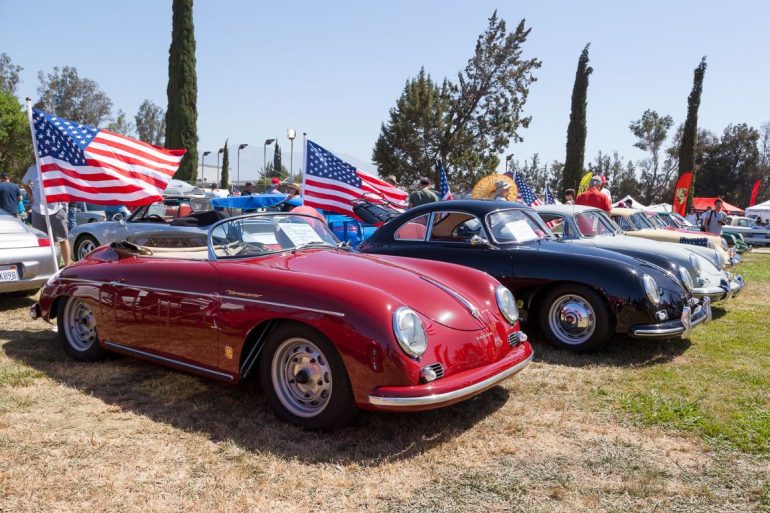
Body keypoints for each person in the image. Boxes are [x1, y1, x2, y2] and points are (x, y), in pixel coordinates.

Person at [21, 166, 71, 266]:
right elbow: (24, 183)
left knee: (62, 239)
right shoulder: (32, 169)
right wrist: (31, 196)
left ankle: (67, 266)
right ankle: (46, 266)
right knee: (41, 240)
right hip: (37, 210)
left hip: (56, 209)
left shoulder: (56, 165)